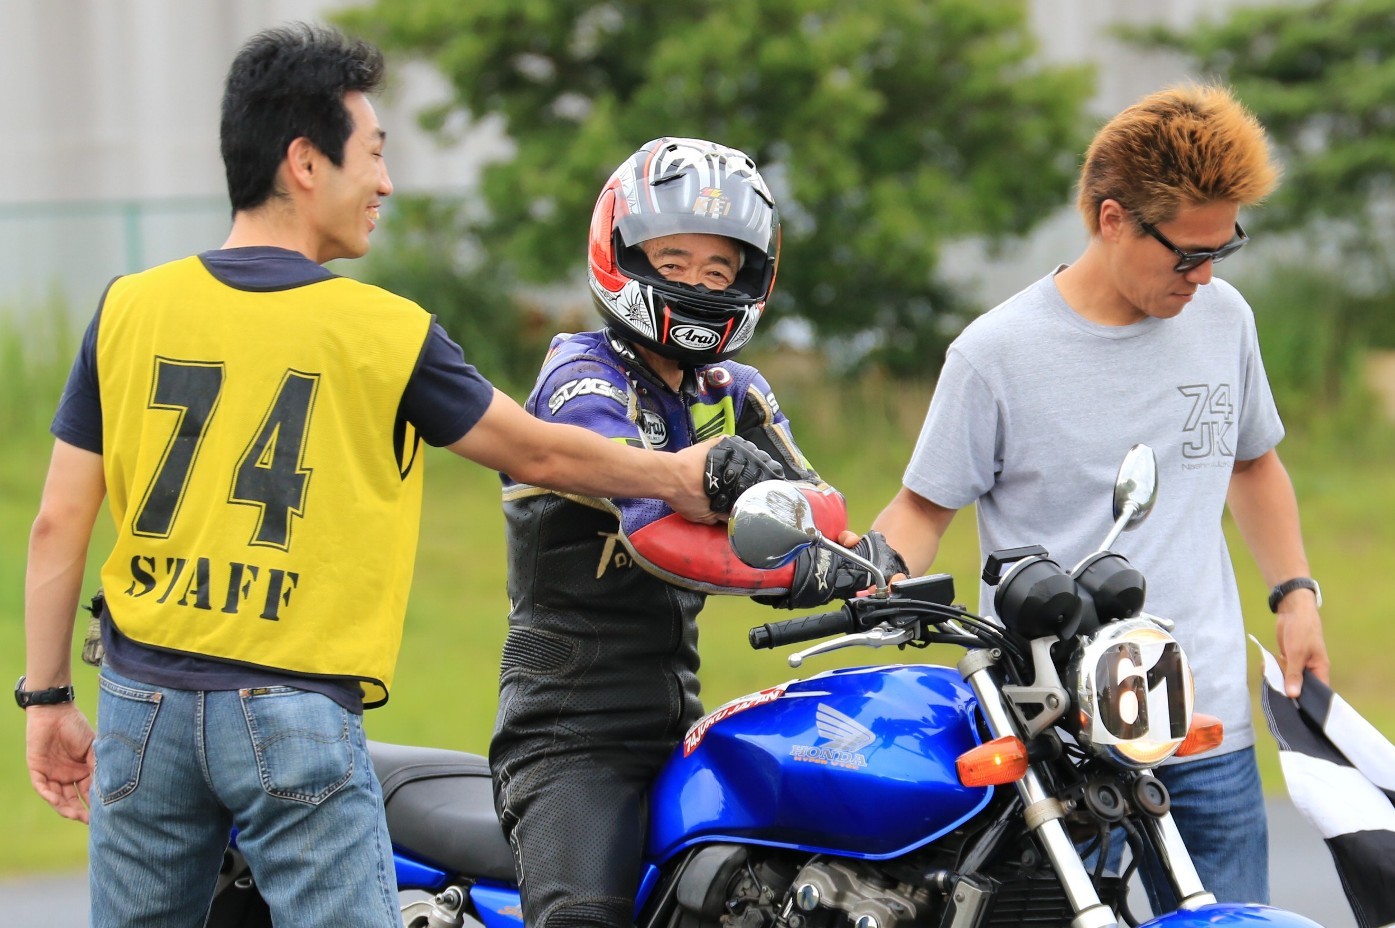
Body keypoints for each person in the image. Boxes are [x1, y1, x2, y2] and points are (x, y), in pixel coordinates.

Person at [20, 27, 781, 928]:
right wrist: (678, 475)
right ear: (305, 162)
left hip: (140, 704)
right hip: (290, 712)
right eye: (374, 153)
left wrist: (48, 698)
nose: (385, 183)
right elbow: (537, 452)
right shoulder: (383, 330)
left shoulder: (126, 307)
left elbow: (57, 523)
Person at [871, 83, 1328, 911]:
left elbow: (1253, 463)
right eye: (1185, 255)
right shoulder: (995, 354)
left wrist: (1295, 593)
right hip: (1055, 736)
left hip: (1201, 718)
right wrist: (879, 574)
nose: (1203, 276)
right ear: (1112, 219)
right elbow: (922, 509)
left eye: (1220, 251)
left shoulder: (1223, 319)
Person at [489, 137, 906, 928]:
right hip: (568, 734)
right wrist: (794, 569)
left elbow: (822, 506)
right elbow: (654, 535)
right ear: (620, 253)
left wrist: (861, 562)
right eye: (673, 261)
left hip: (678, 716)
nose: (696, 285)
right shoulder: (581, 378)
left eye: (718, 272)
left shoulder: (731, 389)